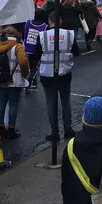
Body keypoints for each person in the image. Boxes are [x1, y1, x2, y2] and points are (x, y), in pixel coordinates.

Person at [39, 12, 76, 142]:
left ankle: (54, 132)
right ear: (60, 21)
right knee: (65, 102)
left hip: (47, 75)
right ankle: (68, 130)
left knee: (51, 103)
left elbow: (36, 54)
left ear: (50, 21)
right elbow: (76, 51)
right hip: (64, 73)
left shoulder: (42, 35)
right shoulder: (69, 34)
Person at [0, 27, 29, 139]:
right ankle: (11, 129)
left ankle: (1, 128)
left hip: (1, 79)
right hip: (15, 80)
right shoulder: (18, 46)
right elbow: (23, 62)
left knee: (1, 103)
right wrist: (25, 74)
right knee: (13, 104)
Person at [23, 9, 47, 90]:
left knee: (31, 65)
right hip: (37, 49)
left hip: (28, 47)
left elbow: (24, 34)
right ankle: (29, 81)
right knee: (35, 66)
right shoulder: (45, 26)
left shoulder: (27, 23)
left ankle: (34, 81)